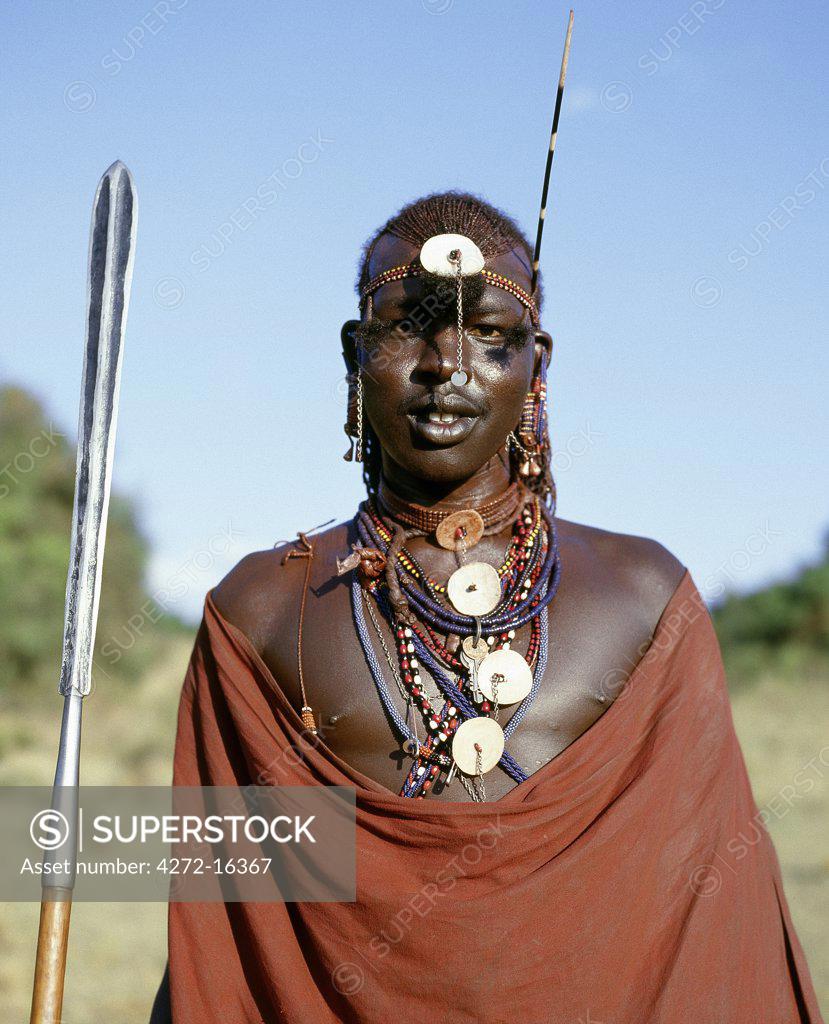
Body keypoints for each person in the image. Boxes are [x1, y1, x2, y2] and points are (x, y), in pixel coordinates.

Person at [151, 193, 822, 1023]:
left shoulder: (643, 598)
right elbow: (237, 934)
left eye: (491, 337)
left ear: (537, 362)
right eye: (407, 328)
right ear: (355, 353)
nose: (446, 364)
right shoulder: (262, 609)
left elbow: (712, 926)